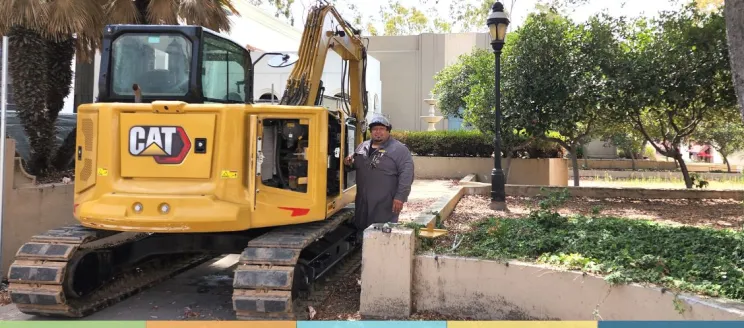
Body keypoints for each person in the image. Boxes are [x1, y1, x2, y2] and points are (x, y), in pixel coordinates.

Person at [344, 115, 415, 231]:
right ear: (371, 132)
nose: (378, 132)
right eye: (375, 129)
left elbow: (407, 175)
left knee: (382, 232)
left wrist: (400, 197)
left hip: (385, 202)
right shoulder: (363, 146)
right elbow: (356, 165)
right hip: (363, 200)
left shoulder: (399, 150)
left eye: (381, 129)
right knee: (362, 229)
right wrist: (349, 163)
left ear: (388, 131)